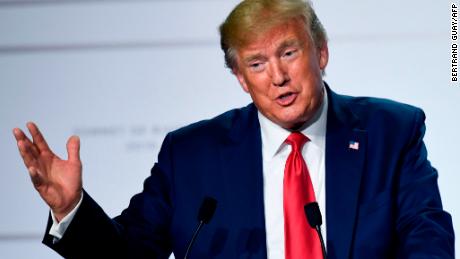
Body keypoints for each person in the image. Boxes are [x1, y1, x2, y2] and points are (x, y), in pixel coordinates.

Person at [13, 0, 454, 258]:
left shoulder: (392, 132)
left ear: (320, 52)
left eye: (288, 53)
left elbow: (428, 242)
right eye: (257, 64)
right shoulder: (191, 155)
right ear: (242, 79)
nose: (277, 77)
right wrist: (72, 208)